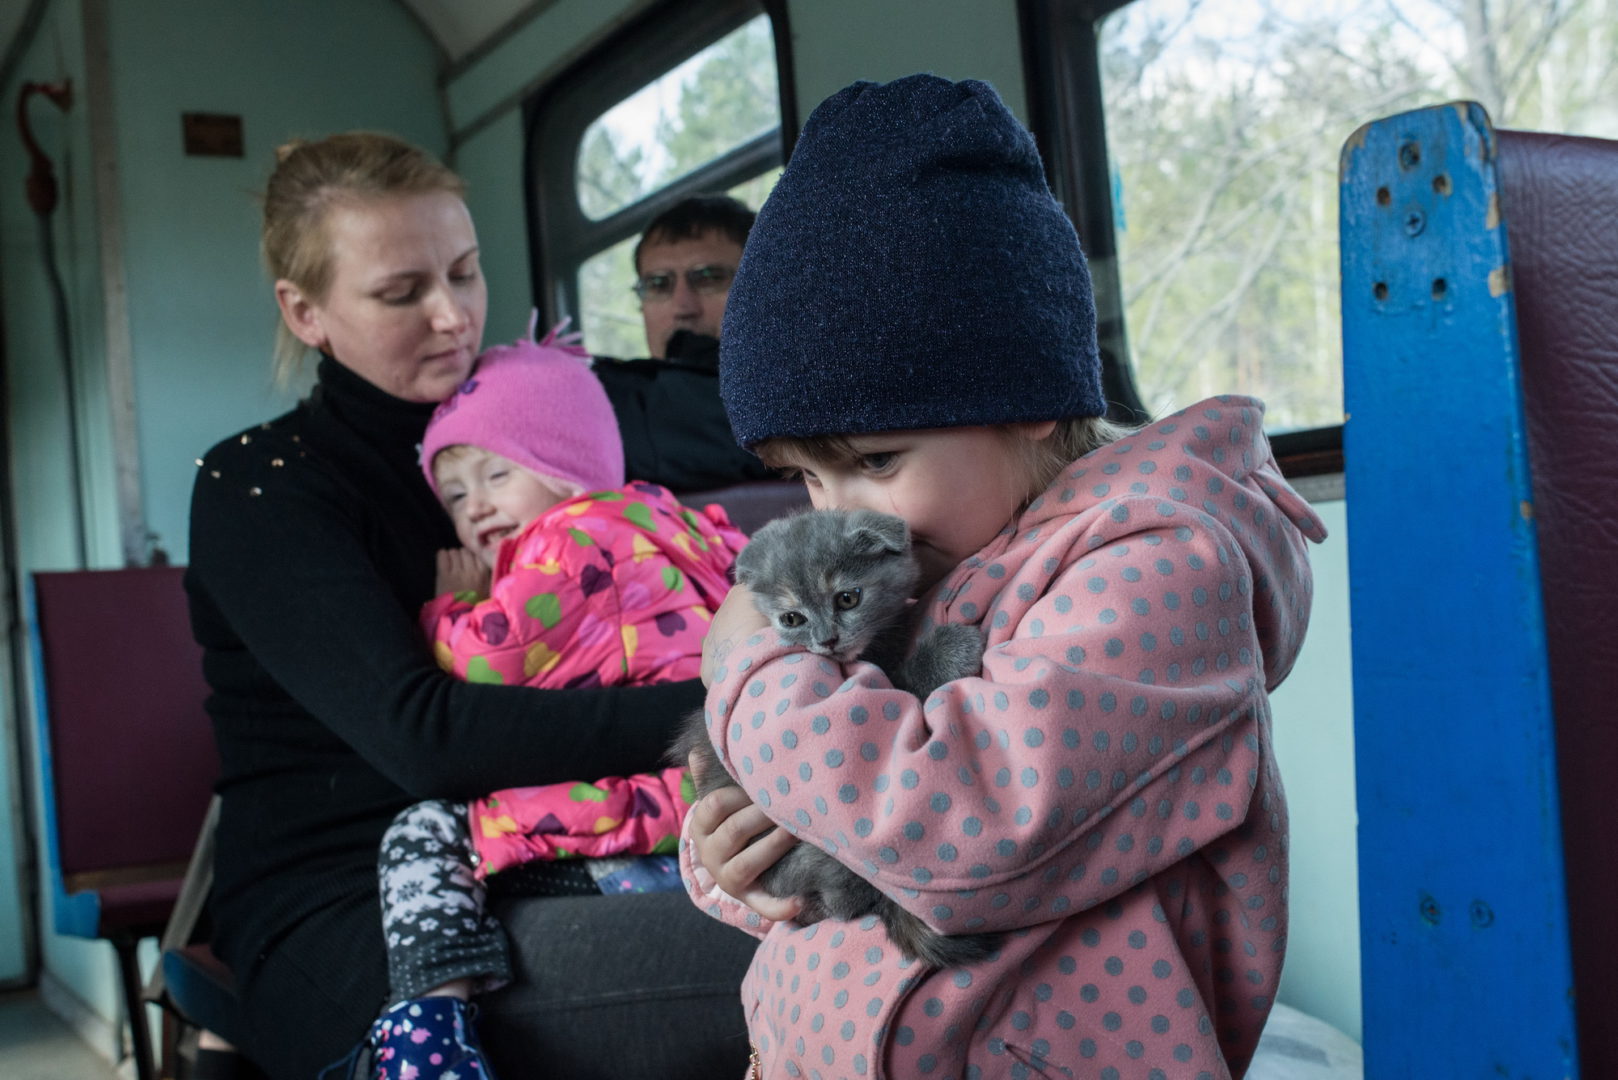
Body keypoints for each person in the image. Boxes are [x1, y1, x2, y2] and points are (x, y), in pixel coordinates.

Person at [681, 75, 1328, 1079]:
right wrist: (732, 862)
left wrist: (752, 661)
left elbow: (952, 826)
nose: (840, 512)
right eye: (806, 478)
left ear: (1029, 400)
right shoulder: (918, 567)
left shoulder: (1164, 575)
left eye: (874, 461)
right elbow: (830, 811)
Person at [185, 132, 755, 1080]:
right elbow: (426, 739)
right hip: (361, 884)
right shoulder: (262, 486)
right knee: (814, 954)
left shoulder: (534, 419)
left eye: (466, 272)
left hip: (567, 824)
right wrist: (739, 710)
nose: (453, 317)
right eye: (402, 293)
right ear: (306, 312)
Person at [363, 320, 748, 1079]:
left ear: (564, 460)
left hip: (627, 817)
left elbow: (488, 663)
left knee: (423, 832)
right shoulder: (669, 522)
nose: (475, 508)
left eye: (497, 475)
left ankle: (429, 1028)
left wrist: (447, 610)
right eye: (456, 493)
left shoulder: (571, 541)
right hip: (693, 803)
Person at [593, 194, 775, 493]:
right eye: (658, 284)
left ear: (761, 288)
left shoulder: (793, 393)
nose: (682, 307)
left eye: (708, 278)